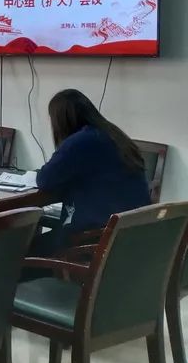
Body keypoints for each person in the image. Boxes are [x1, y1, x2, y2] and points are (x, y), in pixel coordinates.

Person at [34, 89, 150, 255]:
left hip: (94, 242)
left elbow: (45, 180)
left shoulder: (80, 141)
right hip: (129, 237)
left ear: (61, 120)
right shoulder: (114, 134)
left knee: (16, 253)